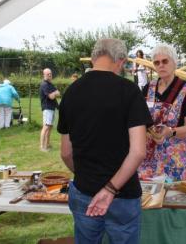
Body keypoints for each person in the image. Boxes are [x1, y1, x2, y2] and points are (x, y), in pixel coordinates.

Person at [58, 38, 152, 244]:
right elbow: (138, 152)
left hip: (84, 191)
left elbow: (66, 152)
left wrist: (88, 176)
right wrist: (109, 189)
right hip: (123, 195)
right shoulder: (129, 91)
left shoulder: (71, 92)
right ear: (120, 60)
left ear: (94, 58)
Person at [138, 44, 186, 182]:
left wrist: (170, 131)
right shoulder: (148, 88)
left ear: (174, 63)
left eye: (165, 61)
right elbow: (139, 121)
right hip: (149, 161)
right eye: (157, 62)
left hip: (179, 161)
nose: (161, 65)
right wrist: (149, 133)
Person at [39, 68, 61, 151]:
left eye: (50, 74)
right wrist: (55, 93)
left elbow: (58, 93)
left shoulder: (50, 84)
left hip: (52, 108)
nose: (50, 75)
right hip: (47, 108)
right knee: (46, 126)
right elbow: (51, 97)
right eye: (48, 74)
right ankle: (42, 146)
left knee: (50, 126)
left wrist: (55, 93)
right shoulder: (44, 85)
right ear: (44, 75)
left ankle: (47, 144)